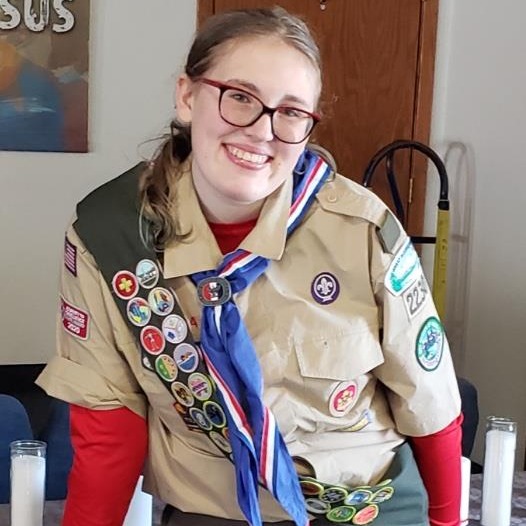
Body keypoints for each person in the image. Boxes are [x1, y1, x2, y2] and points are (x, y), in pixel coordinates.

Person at [36, 6, 462, 526]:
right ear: (187, 96)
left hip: (361, 508)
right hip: (217, 511)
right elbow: (108, 427)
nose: (263, 132)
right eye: (240, 97)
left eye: (290, 112)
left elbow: (431, 405)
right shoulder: (110, 238)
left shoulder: (362, 232)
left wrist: (446, 522)